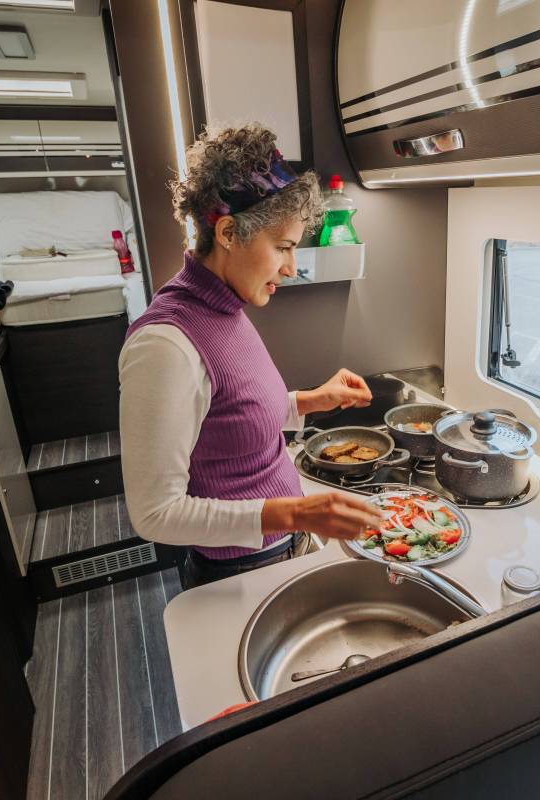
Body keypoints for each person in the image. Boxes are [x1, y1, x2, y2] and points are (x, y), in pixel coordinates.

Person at [120, 123, 384, 590]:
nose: (290, 266)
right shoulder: (164, 346)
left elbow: (228, 420)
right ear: (226, 232)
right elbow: (155, 514)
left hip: (280, 547)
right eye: (282, 247)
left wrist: (307, 401)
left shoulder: (225, 306)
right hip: (237, 573)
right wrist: (298, 512)